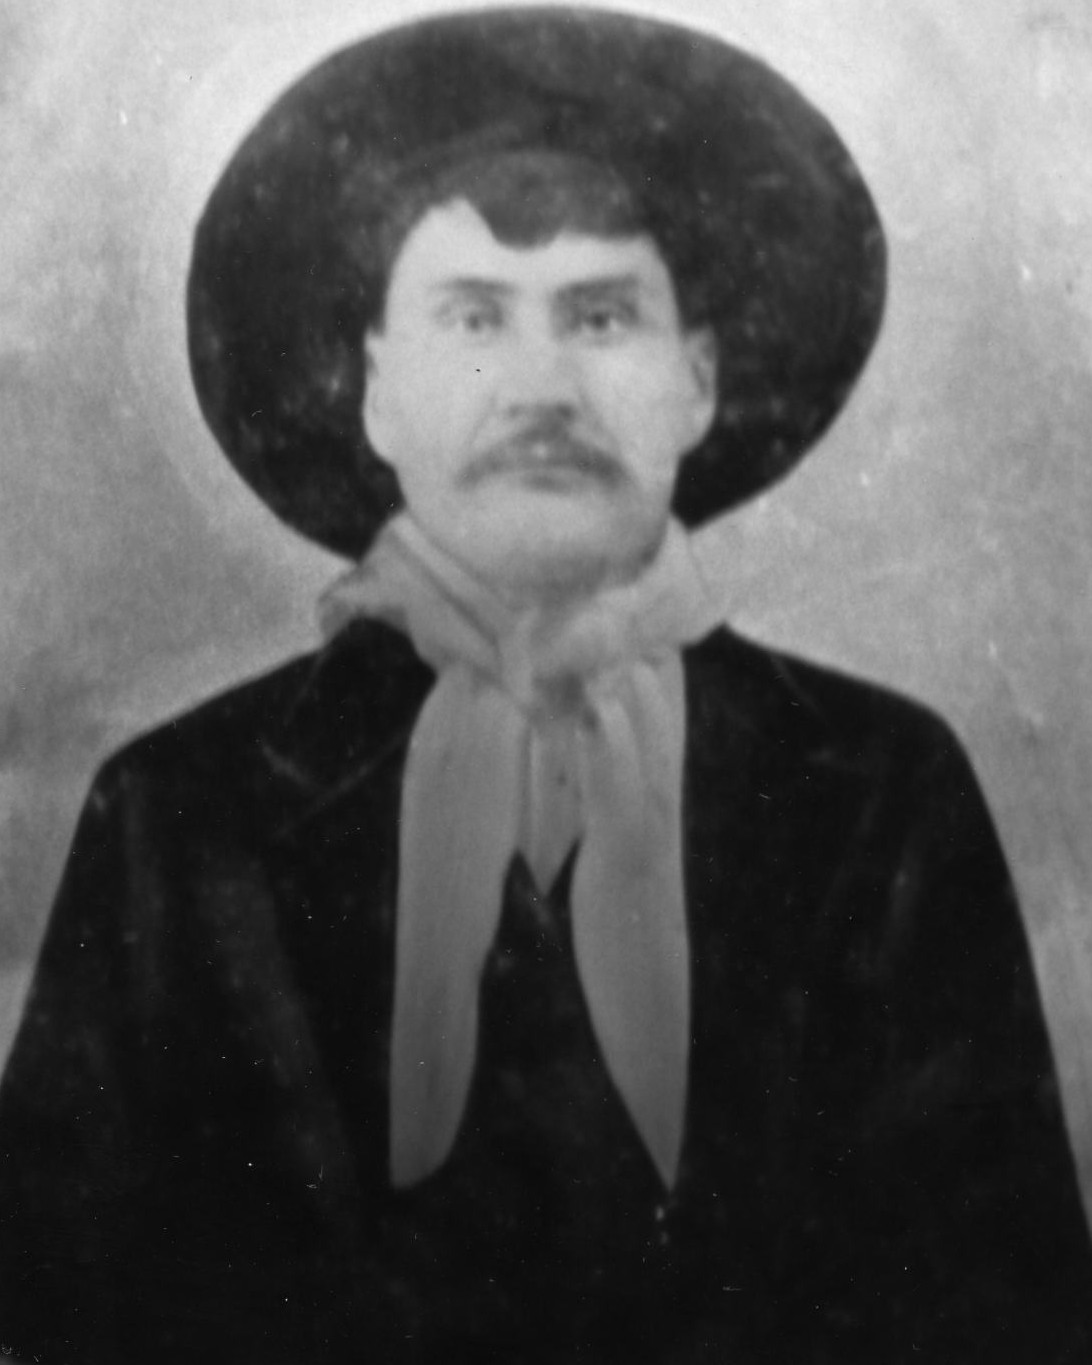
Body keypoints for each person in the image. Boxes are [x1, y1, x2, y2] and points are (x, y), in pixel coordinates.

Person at [1, 9, 1090, 1363]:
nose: (542, 385)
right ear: (377, 395)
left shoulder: (881, 789)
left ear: (697, 383)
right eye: (474, 317)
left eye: (602, 315)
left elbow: (1007, 1308)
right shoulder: (179, 809)